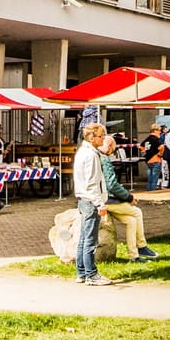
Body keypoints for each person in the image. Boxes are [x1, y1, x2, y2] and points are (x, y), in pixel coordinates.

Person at [99, 135, 158, 261]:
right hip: (107, 199)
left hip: (102, 198)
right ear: (109, 146)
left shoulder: (97, 156)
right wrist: (128, 196)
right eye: (113, 150)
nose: (112, 153)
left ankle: (134, 255)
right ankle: (142, 246)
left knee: (131, 221)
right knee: (137, 212)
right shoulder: (104, 160)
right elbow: (112, 185)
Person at [71, 122, 113, 287]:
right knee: (90, 239)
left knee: (84, 238)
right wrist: (99, 203)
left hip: (83, 199)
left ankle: (81, 271)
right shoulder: (90, 155)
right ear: (91, 137)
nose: (103, 138)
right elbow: (92, 182)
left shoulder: (84, 151)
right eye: (101, 135)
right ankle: (91, 274)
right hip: (90, 200)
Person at [141, 124, 165, 190]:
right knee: (154, 179)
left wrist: (145, 152)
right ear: (155, 130)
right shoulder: (156, 139)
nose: (160, 132)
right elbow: (162, 147)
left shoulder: (147, 139)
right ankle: (153, 192)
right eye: (159, 130)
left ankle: (148, 190)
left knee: (150, 178)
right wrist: (160, 154)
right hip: (156, 160)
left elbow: (141, 146)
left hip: (148, 160)